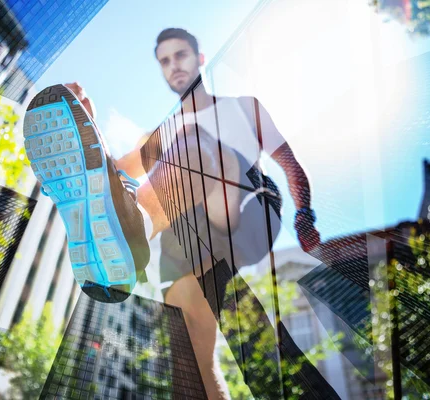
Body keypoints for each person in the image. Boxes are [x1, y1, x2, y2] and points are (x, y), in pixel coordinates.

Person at [24, 28, 320, 399]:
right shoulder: (164, 131)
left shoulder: (242, 107)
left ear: (199, 59)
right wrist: (87, 124)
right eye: (165, 61)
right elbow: (110, 172)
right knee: (196, 362)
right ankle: (127, 233)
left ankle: (135, 229)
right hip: (188, 239)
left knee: (194, 145)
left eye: (180, 55)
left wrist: (305, 214)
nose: (173, 66)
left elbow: (289, 163)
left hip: (246, 206)